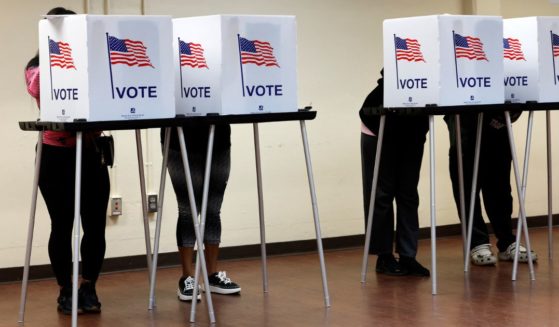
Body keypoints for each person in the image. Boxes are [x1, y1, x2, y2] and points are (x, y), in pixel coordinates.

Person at [25, 7, 110, 315]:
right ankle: (65, 290)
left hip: (90, 152)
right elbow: (38, 88)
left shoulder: (92, 63)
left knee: (95, 225)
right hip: (55, 155)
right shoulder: (37, 68)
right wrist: (59, 53)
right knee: (61, 225)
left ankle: (89, 287)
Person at [359, 69, 430, 277]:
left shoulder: (428, 78)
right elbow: (369, 110)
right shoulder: (384, 88)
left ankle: (408, 256)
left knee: (408, 193)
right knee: (381, 193)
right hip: (377, 127)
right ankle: (383, 256)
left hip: (413, 128)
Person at [445, 112, 537, 265]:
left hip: (498, 115)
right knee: (466, 183)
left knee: (500, 184)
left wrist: (512, 112)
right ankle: (477, 242)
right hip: (464, 113)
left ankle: (507, 240)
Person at [161, 123, 241, 301]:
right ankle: (187, 277)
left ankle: (211, 276)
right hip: (180, 138)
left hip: (218, 137)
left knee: (213, 209)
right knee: (188, 210)